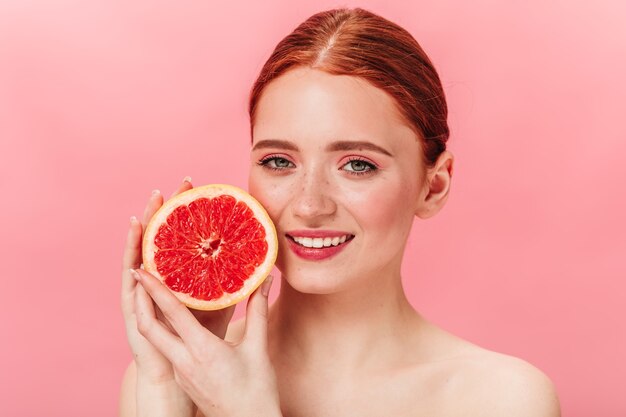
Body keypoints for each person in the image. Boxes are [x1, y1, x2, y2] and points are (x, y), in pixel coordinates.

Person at [119, 7, 560, 417]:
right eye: (279, 162)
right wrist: (162, 396)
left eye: (358, 166)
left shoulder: (501, 399)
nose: (310, 205)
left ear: (435, 185)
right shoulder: (172, 374)